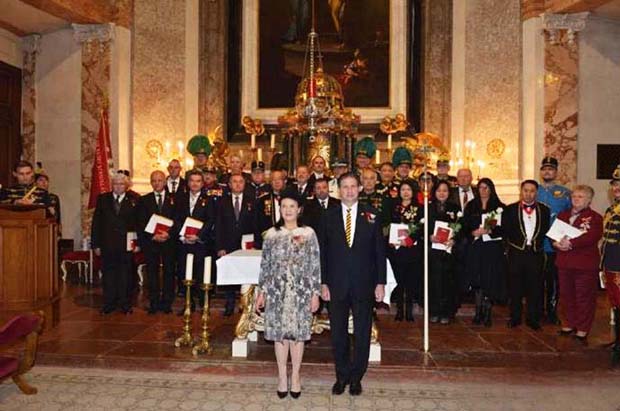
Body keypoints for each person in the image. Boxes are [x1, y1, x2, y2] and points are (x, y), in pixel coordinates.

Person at [320, 172, 386, 396]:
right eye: (344, 187)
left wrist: (380, 282)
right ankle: (341, 376)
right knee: (338, 333)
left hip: (364, 283)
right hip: (336, 284)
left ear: (359, 188)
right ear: (338, 190)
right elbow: (323, 253)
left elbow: (379, 252)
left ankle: (357, 376)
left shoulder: (372, 215)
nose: (349, 190)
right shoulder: (328, 216)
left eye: (352, 186)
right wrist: (323, 283)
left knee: (362, 332)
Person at [256, 189, 321, 399]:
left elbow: (315, 264)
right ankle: (282, 376)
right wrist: (262, 292)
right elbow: (265, 265)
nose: (288, 210)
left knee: (298, 335)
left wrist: (315, 293)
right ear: (279, 209)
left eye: (292, 206)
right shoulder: (271, 234)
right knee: (280, 335)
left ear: (299, 209)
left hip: (301, 292)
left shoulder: (309, 233)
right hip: (277, 292)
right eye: (284, 206)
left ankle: (296, 376)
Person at [554, 185, 603, 345]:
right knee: (566, 295)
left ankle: (582, 329)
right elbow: (554, 233)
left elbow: (592, 236)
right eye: (574, 196)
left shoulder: (595, 217)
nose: (576, 199)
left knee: (584, 297)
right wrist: (555, 243)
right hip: (564, 262)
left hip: (584, 264)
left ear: (589, 200)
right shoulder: (563, 215)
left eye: (580, 196)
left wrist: (570, 243)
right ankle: (568, 324)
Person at [503, 180, 551, 330]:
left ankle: (533, 318)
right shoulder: (510, 209)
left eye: (532, 191)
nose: (528, 194)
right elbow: (505, 231)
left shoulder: (545, 210)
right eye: (526, 190)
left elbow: (546, 230)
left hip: (535, 253)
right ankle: (515, 317)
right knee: (515, 287)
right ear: (521, 191)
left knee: (535, 287)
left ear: (536, 193)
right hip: (516, 253)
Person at [91, 172, 139, 314]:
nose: (118, 186)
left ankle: (125, 303)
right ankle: (109, 303)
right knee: (109, 275)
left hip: (126, 244)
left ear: (127, 186)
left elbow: (138, 224)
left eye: (121, 184)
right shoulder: (103, 199)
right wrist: (96, 244)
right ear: (112, 185)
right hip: (107, 244)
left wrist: (137, 243)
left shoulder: (134, 200)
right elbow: (96, 223)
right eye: (115, 184)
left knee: (126, 275)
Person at [462, 178, 507, 327]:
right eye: (481, 187)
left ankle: (487, 312)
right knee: (477, 279)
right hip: (476, 247)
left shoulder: (499, 207)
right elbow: (464, 227)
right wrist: (473, 233)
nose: (483, 190)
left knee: (490, 279)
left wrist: (491, 231)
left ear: (491, 189)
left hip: (492, 248)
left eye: (486, 188)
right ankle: (478, 311)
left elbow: (504, 229)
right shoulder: (471, 206)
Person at [173, 169, 214, 313]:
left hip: (200, 243)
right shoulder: (181, 198)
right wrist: (183, 235)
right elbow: (176, 218)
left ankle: (204, 304)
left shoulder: (208, 200)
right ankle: (188, 303)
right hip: (184, 243)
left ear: (202, 183)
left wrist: (198, 236)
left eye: (198, 181)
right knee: (185, 273)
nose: (195, 184)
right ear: (188, 183)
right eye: (192, 181)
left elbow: (210, 220)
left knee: (202, 273)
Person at [216, 174, 256, 316]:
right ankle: (229, 304)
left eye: (241, 182)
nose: (238, 184)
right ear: (229, 184)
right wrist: (220, 247)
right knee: (230, 275)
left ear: (245, 184)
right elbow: (218, 226)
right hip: (228, 244)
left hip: (246, 245)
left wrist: (255, 245)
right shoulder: (222, 202)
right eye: (235, 182)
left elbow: (255, 225)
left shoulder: (252, 201)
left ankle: (245, 304)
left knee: (246, 275)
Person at [538, 156, 571, 325]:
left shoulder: (565, 193)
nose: (547, 172)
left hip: (555, 245)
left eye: (550, 169)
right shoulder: (533, 190)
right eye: (544, 169)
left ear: (556, 172)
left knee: (553, 281)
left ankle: (551, 311)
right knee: (536, 279)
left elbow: (571, 217)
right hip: (536, 244)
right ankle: (536, 311)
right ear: (541, 172)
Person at [138, 171, 177, 314]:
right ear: (151, 183)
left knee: (169, 272)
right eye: (154, 180)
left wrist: (169, 233)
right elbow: (140, 222)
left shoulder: (174, 199)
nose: (157, 183)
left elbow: (178, 219)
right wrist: (152, 236)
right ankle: (154, 302)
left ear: (165, 182)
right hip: (151, 243)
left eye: (159, 180)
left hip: (169, 242)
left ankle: (167, 302)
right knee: (152, 273)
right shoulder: (144, 200)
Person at [427, 180, 461, 324]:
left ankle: (447, 312)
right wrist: (429, 236)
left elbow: (461, 227)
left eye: (445, 190)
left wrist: (454, 239)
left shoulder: (455, 208)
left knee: (448, 282)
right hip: (433, 251)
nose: (442, 193)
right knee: (434, 281)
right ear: (434, 192)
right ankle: (434, 311)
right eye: (439, 190)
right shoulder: (428, 207)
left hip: (448, 251)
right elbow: (423, 227)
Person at [388, 180, 422, 322]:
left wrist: (409, 239)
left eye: (408, 189)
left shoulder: (419, 208)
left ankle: (409, 311)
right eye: (403, 190)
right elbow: (388, 225)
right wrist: (390, 238)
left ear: (413, 191)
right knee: (399, 280)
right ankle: (399, 310)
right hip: (396, 249)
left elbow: (421, 227)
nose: (406, 192)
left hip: (412, 249)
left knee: (410, 280)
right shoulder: (393, 207)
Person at [601, 164, 620, 365]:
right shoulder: (611, 209)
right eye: (615, 184)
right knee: (616, 306)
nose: (616, 187)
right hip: (611, 266)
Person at [255, 170, 287, 249]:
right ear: (270, 182)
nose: (277, 182)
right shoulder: (262, 200)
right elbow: (258, 223)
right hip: (268, 240)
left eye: (279, 179)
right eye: (274, 180)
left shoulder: (290, 199)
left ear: (284, 181)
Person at [358, 167, 391, 234]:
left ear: (376, 180)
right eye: (365, 178)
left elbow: (387, 221)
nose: (369, 181)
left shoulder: (384, 199)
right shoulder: (355, 198)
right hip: (359, 233)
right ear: (361, 180)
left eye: (372, 178)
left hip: (379, 233)